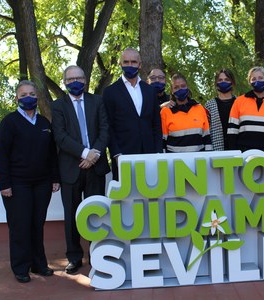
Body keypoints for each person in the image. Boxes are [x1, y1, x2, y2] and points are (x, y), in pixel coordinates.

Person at [0, 80, 60, 283]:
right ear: (17, 98)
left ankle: (39, 264)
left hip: (42, 183)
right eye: (23, 94)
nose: (28, 97)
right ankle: (21, 267)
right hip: (17, 184)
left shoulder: (44, 123)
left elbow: (52, 154)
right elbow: (2, 155)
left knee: (37, 224)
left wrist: (55, 178)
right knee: (20, 226)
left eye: (31, 94)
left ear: (37, 96)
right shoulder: (9, 122)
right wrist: (4, 184)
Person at [51, 65, 110, 274]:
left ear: (85, 80)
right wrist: (86, 154)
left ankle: (98, 256)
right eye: (70, 79)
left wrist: (95, 154)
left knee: (97, 214)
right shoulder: (58, 106)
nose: (74, 82)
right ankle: (74, 257)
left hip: (96, 168)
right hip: (71, 168)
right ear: (64, 82)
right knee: (72, 216)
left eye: (78, 78)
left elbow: (105, 129)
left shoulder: (98, 101)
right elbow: (60, 136)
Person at [103, 48, 162, 179]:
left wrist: (158, 152)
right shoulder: (110, 92)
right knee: (126, 199)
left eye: (133, 62)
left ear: (140, 64)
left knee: (151, 197)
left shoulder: (150, 91)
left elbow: (156, 124)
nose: (130, 65)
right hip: (123, 156)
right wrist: (116, 154)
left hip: (150, 155)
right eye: (126, 62)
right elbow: (108, 127)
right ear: (120, 64)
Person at [227, 66, 264, 154]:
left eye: (260, 78)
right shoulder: (239, 101)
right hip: (245, 152)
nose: (257, 81)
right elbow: (232, 131)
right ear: (249, 82)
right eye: (253, 79)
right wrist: (234, 153)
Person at [161, 73, 213, 152]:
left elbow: (206, 137)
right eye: (176, 87)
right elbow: (163, 141)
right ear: (172, 90)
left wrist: (209, 156)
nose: (180, 89)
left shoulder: (199, 108)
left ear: (187, 87)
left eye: (183, 86)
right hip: (175, 161)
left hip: (198, 160)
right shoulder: (166, 111)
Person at [205, 68, 237, 151]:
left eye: (227, 79)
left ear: (232, 82)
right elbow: (206, 131)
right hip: (217, 150)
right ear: (216, 83)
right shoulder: (209, 105)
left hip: (238, 148)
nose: (223, 82)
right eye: (220, 80)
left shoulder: (239, 103)